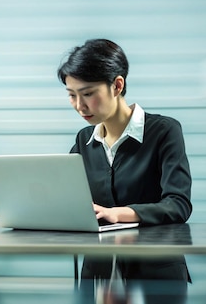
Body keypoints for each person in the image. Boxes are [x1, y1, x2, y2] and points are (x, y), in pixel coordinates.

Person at [57, 39, 192, 304]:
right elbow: (71, 199)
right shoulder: (85, 139)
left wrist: (116, 214)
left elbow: (178, 205)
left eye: (87, 93)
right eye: (71, 95)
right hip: (98, 274)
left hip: (156, 274)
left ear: (117, 85)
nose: (79, 106)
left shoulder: (164, 131)